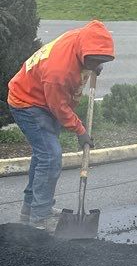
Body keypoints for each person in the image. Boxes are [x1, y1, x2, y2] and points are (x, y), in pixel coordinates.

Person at [6, 21, 116, 231]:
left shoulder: (80, 40)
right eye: (93, 60)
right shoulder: (59, 72)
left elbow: (92, 55)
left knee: (42, 157)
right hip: (28, 102)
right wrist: (80, 130)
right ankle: (40, 216)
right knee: (50, 156)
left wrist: (93, 64)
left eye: (101, 60)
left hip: (42, 97)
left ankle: (31, 210)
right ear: (84, 51)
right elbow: (59, 107)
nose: (96, 64)